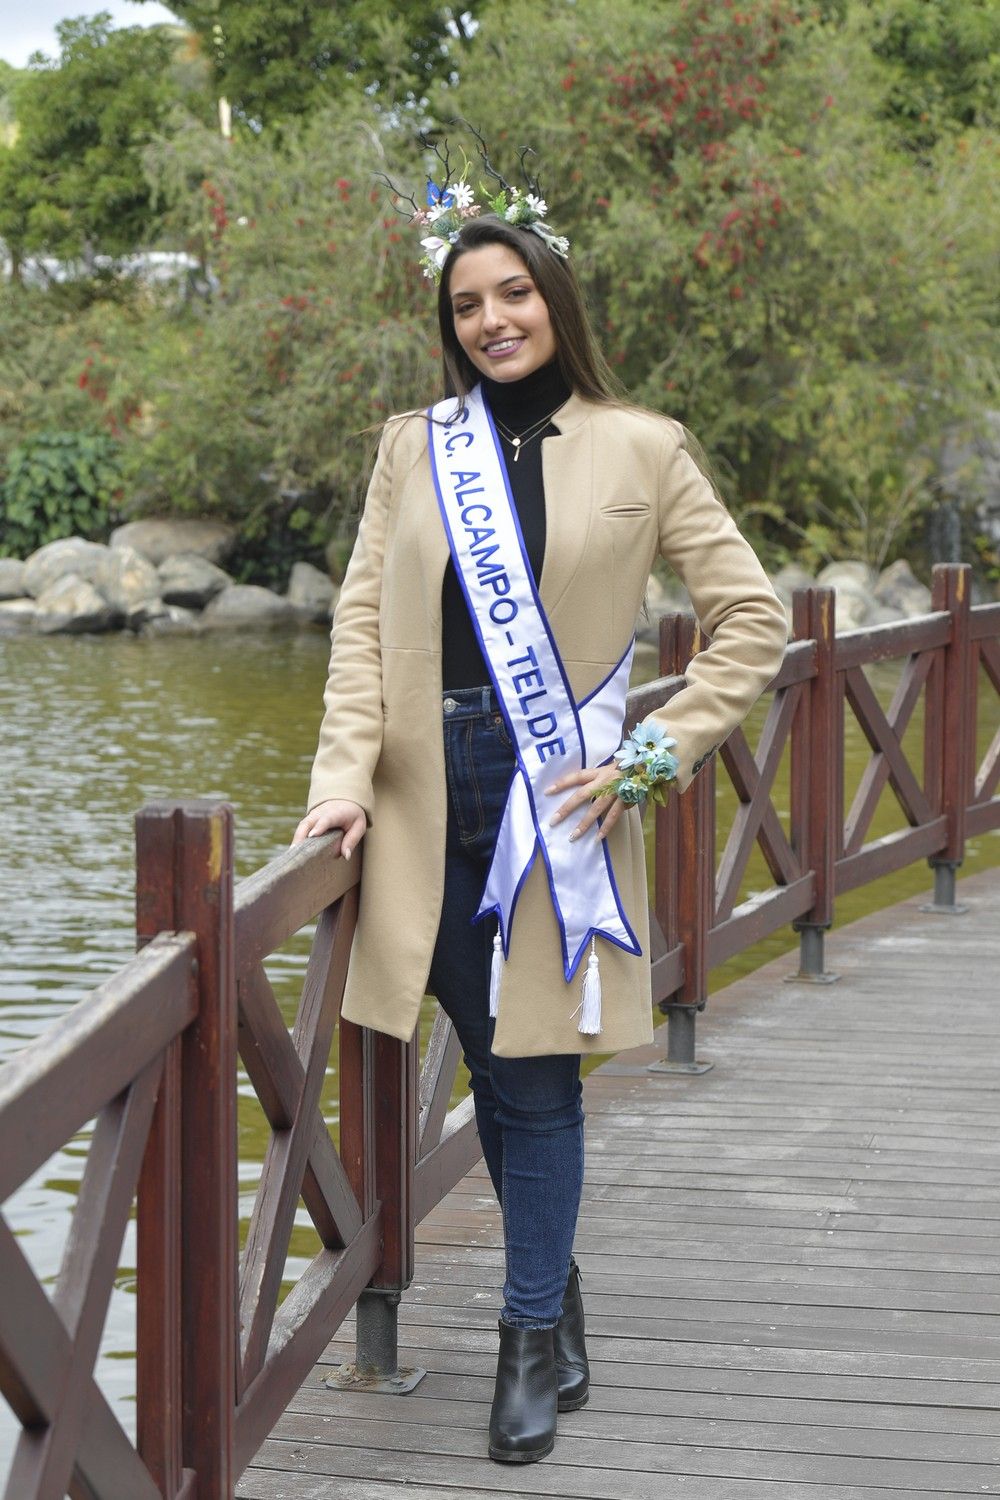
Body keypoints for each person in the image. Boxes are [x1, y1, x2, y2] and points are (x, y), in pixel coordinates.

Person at [292, 163, 787, 1464]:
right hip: (415, 804)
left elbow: (753, 620)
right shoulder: (415, 447)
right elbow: (357, 627)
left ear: (555, 297)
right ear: (447, 323)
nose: (493, 318)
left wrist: (653, 758)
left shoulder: (645, 445)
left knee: (537, 1076)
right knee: (499, 1072)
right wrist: (338, 786)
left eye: (514, 292)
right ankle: (553, 1300)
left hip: (553, 797)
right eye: (468, 304)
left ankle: (526, 1346)